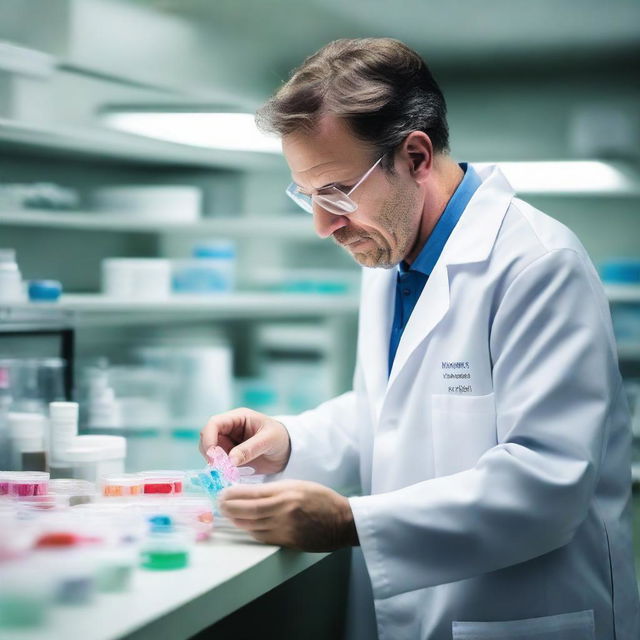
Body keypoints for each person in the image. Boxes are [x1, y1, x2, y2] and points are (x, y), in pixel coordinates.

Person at [200, 38, 640, 639]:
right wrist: (289, 441)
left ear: (415, 156)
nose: (323, 225)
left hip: (524, 614)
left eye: (336, 192)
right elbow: (391, 418)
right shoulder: (392, 257)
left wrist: (350, 522)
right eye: (307, 194)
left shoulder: (537, 265)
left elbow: (547, 482)